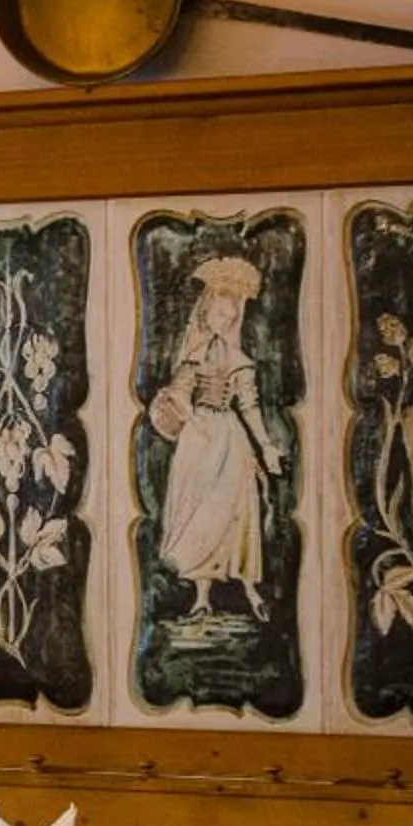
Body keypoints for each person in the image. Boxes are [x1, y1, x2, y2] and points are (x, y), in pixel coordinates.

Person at [147, 252, 285, 620]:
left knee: (235, 510)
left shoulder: (239, 359)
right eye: (216, 313)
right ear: (205, 312)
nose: (221, 320)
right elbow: (178, 391)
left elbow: (250, 406)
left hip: (230, 438)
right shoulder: (195, 354)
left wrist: (267, 447)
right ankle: (202, 597)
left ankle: (250, 590)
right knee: (201, 509)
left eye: (229, 315)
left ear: (236, 318)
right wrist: (193, 420)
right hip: (199, 438)